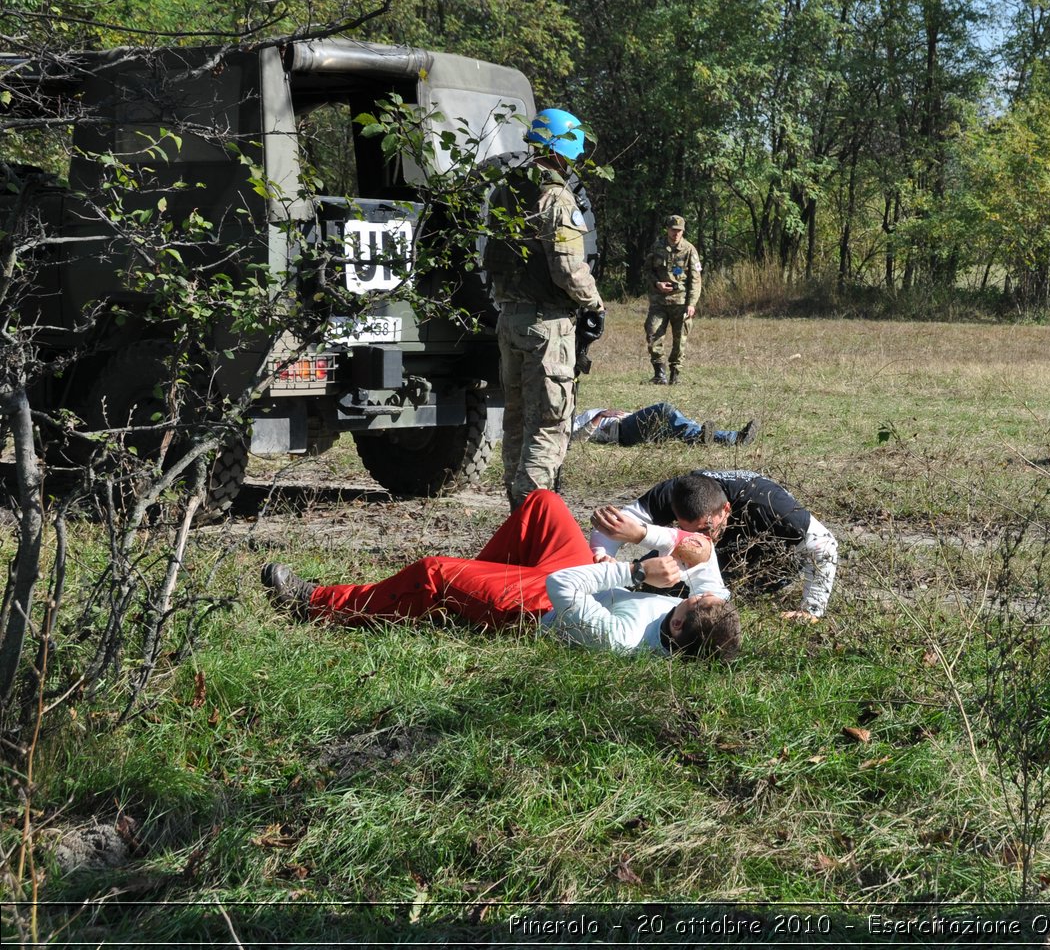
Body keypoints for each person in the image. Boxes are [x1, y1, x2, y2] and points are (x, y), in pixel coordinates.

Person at [259, 490, 739, 659]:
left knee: (434, 572)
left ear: (677, 626)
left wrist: (634, 575)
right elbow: (705, 558)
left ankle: (319, 604)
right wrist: (647, 538)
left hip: (546, 606)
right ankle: (473, 582)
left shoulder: (619, 639)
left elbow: (562, 587)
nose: (693, 593)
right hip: (596, 577)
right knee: (543, 504)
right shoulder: (705, 620)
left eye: (690, 601)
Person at [485, 107, 605, 508]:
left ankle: (518, 513)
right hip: (546, 325)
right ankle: (533, 520)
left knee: (517, 422)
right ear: (561, 147)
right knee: (548, 426)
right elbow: (569, 268)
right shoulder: (556, 197)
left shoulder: (507, 189)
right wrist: (594, 303)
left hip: (510, 320)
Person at [590, 470, 838, 621]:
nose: (701, 537)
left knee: (708, 608)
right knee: (650, 580)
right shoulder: (674, 493)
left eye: (706, 529)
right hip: (716, 551)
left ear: (726, 509)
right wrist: (603, 556)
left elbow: (824, 545)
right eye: (685, 529)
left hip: (767, 557)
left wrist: (811, 611)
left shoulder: (767, 505)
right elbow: (610, 526)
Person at [644, 213, 701, 385]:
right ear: (667, 229)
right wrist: (657, 284)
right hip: (659, 301)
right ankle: (659, 373)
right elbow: (647, 271)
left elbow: (696, 279)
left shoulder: (689, 249)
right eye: (673, 230)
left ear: (683, 231)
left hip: (681, 302)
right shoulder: (656, 247)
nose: (676, 233)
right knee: (653, 333)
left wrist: (691, 304)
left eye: (679, 230)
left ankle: (675, 375)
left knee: (680, 340)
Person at [571, 403, 758, 447]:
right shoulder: (566, 424)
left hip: (631, 425)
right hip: (622, 432)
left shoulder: (576, 414)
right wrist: (600, 416)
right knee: (664, 408)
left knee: (679, 430)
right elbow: (578, 439)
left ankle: (734, 438)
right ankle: (701, 435)